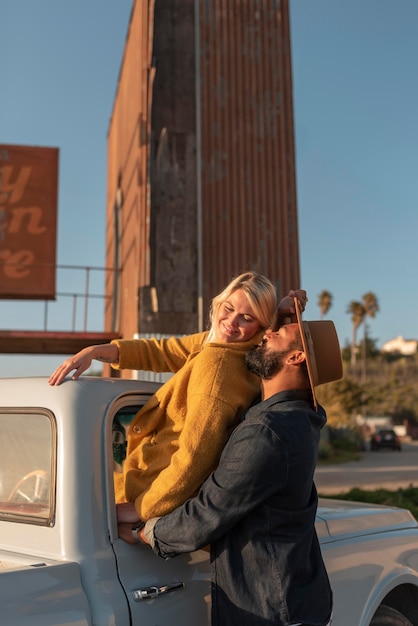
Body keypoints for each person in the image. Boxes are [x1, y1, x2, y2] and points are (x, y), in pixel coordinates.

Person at [122, 299, 343, 626]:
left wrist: (146, 532)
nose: (266, 335)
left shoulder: (266, 432)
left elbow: (207, 513)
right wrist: (281, 315)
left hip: (267, 609)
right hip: (292, 597)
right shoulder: (299, 417)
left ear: (296, 357)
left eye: (278, 333)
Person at [49, 271, 307, 521]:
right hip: (168, 490)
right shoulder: (232, 347)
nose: (231, 321)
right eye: (228, 308)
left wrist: (143, 509)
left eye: (246, 317)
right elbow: (162, 351)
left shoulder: (218, 365)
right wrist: (96, 351)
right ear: (219, 303)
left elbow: (195, 455)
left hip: (157, 489)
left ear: (260, 326)